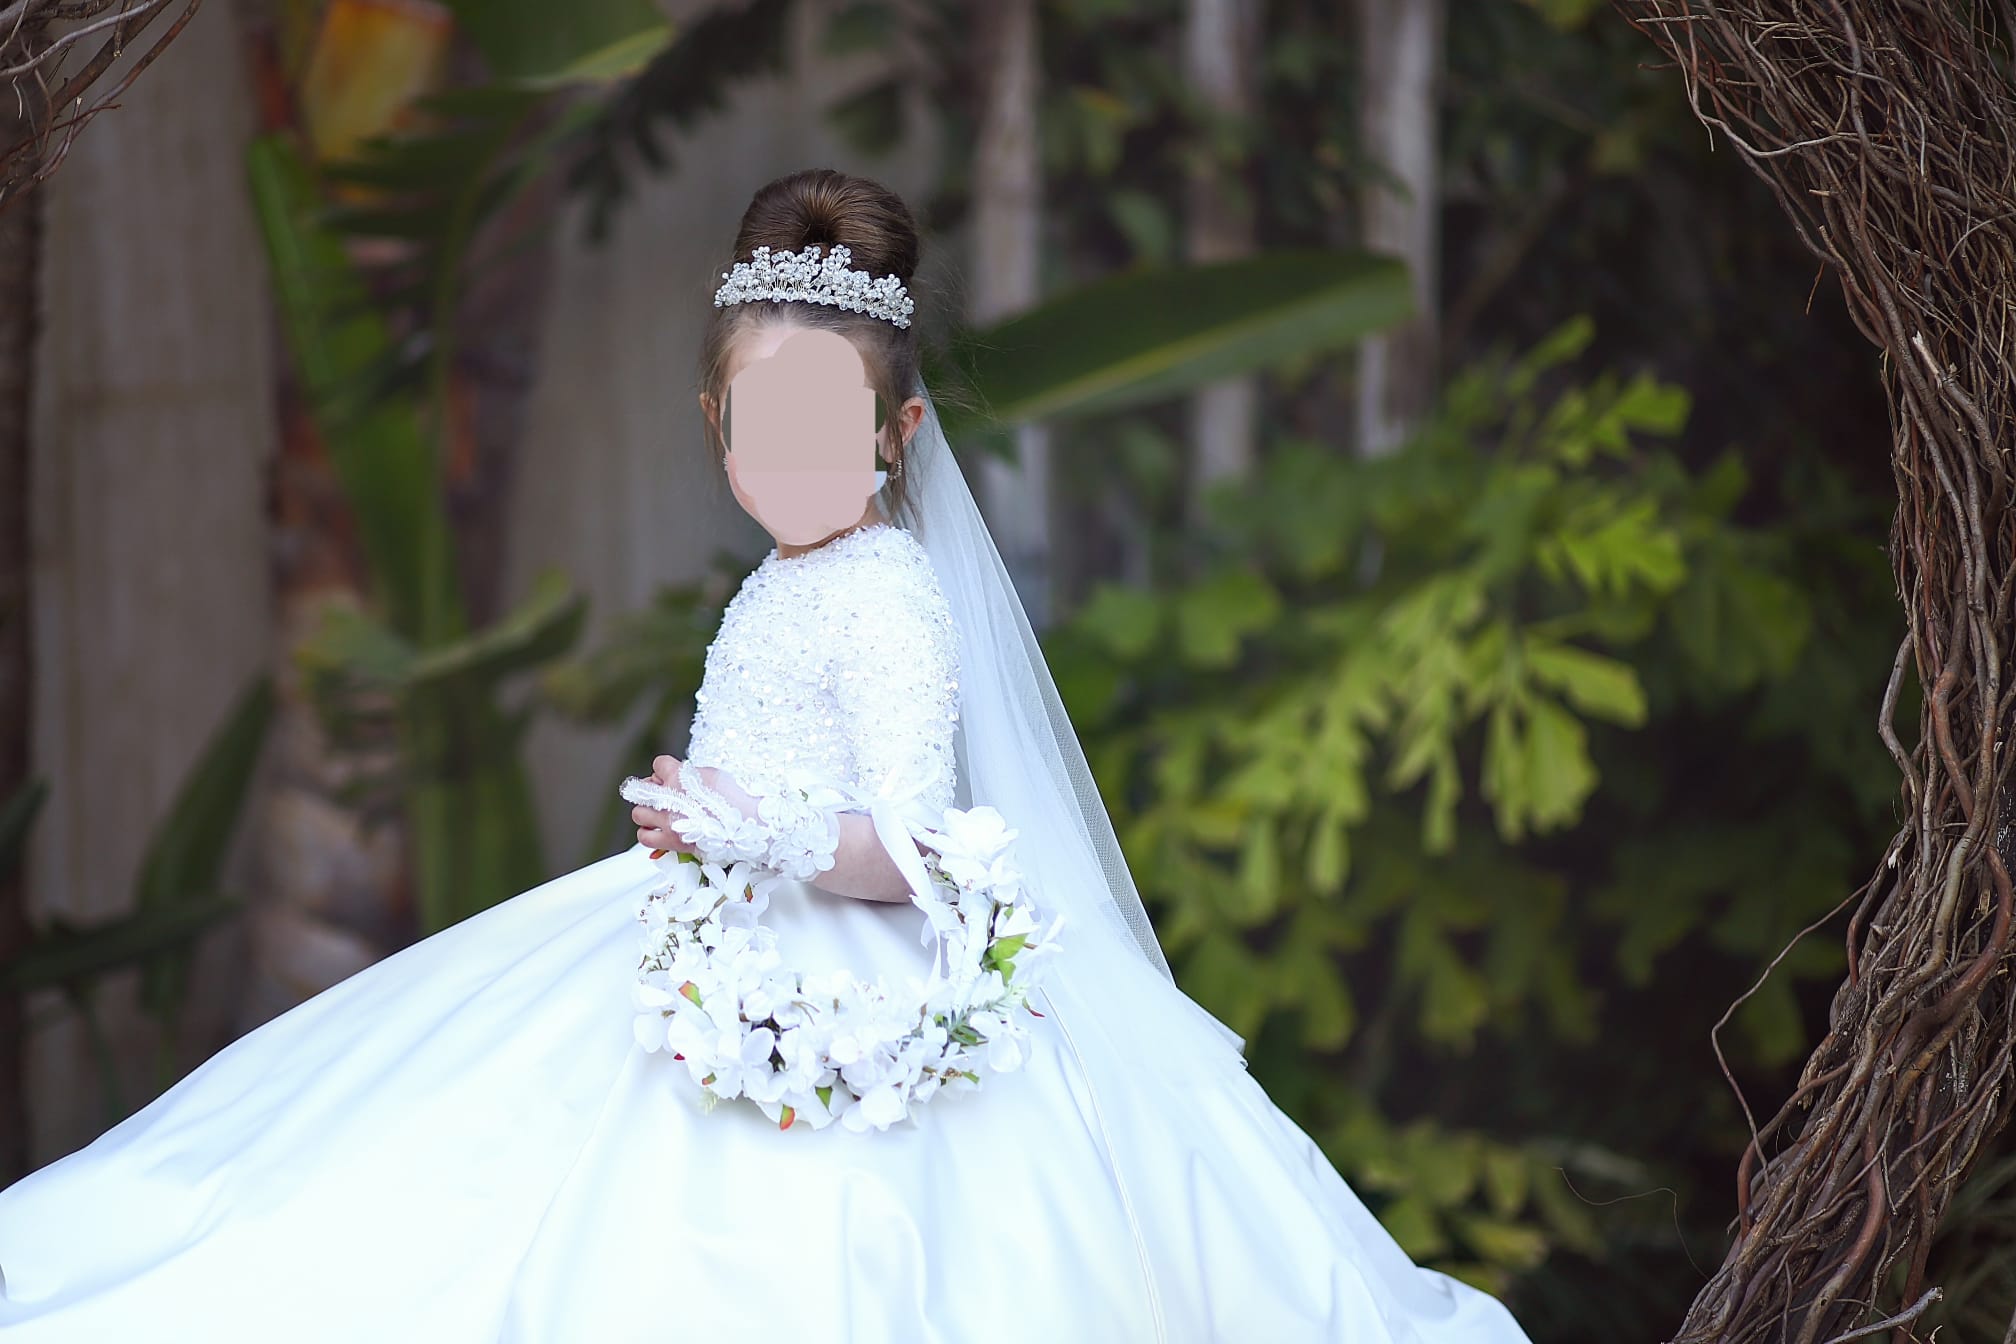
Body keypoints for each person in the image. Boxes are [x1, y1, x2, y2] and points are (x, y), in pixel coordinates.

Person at [0, 167, 1536, 1343]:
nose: (788, 456)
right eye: (759, 422)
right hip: (709, 931)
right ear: (714, 421)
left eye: (825, 423)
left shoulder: (887, 597)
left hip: (843, 972)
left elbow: (919, 847)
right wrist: (706, 816)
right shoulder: (785, 581)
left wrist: (770, 840)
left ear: (896, 434)